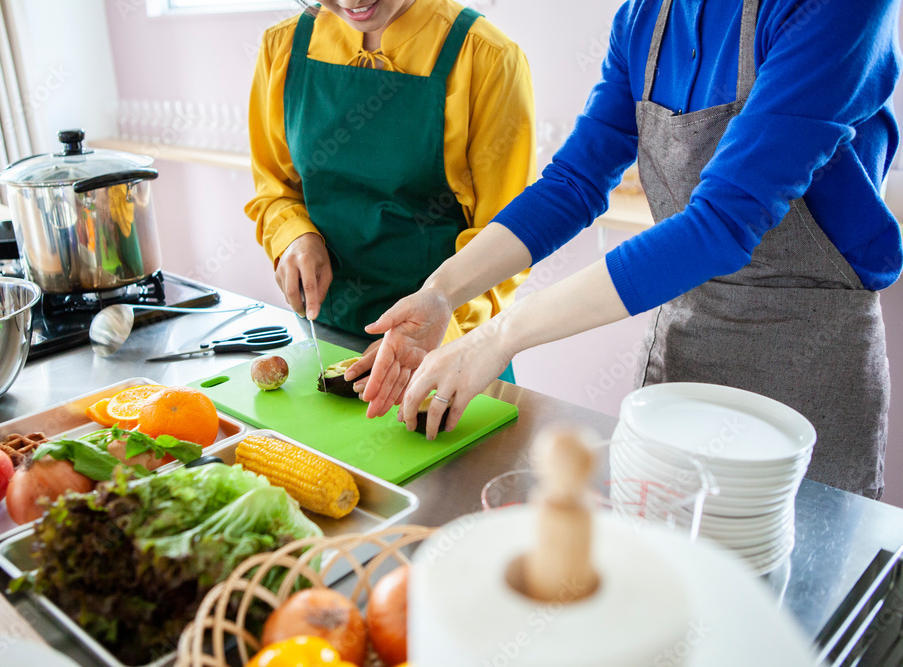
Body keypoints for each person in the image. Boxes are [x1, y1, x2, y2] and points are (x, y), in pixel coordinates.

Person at [360, 0, 901, 500]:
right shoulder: (646, 16)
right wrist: (440, 292)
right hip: (686, 350)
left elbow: (722, 224)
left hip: (807, 367)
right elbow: (574, 182)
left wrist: (501, 336)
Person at [246, 0, 536, 385]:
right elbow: (274, 189)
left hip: (448, 357)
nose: (351, 2)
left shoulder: (487, 57)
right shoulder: (282, 47)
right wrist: (294, 235)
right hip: (326, 344)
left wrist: (437, 335)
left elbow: (506, 238)